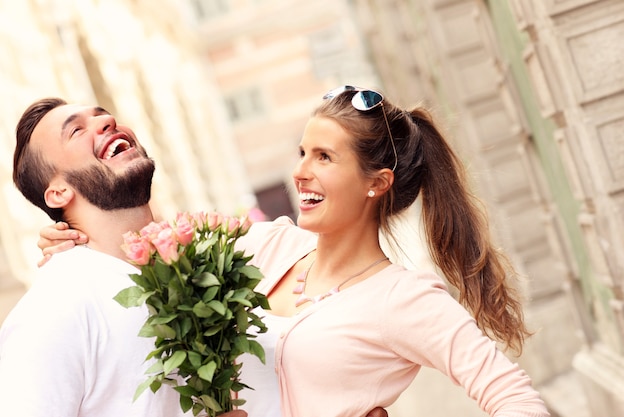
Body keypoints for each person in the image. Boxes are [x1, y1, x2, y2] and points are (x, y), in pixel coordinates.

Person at [38, 86, 550, 417]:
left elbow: (516, 400)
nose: (301, 172)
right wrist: (69, 237)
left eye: (325, 157)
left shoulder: (404, 298)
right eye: (302, 153)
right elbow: (141, 246)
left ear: (377, 183)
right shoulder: (265, 245)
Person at [0, 97, 245, 417]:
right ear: (58, 192)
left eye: (103, 116)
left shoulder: (198, 271)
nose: (107, 122)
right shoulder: (55, 307)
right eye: (76, 130)